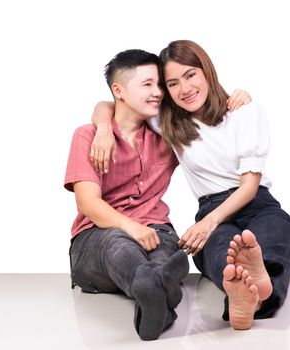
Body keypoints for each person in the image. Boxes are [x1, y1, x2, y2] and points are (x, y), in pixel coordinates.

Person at [90, 40, 290, 331]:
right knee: (219, 253)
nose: (184, 89)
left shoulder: (244, 112)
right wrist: (102, 129)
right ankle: (246, 292)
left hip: (257, 204)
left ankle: (255, 296)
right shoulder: (167, 122)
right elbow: (111, 103)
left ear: (206, 71)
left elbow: (249, 186)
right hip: (211, 209)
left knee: (274, 240)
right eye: (173, 83)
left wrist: (208, 223)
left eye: (190, 75)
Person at [64, 49, 192, 341]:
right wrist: (103, 126)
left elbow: (206, 110)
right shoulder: (87, 135)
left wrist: (239, 98)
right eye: (148, 84)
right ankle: (162, 290)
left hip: (155, 229)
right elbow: (88, 203)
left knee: (162, 250)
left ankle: (154, 300)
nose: (158, 92)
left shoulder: (169, 134)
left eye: (160, 85)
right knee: (119, 244)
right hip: (96, 239)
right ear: (118, 91)